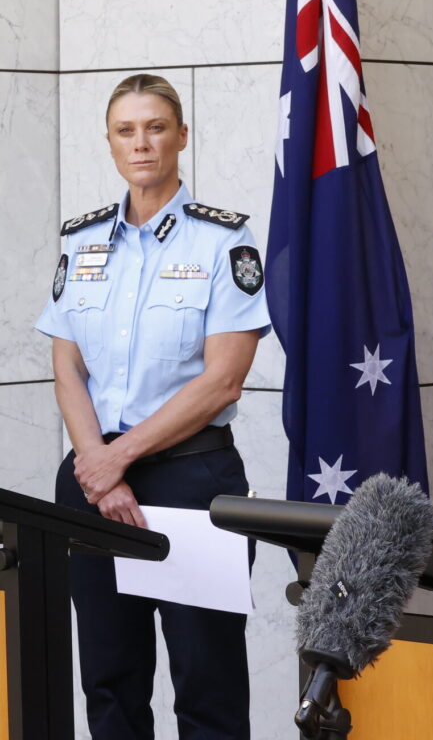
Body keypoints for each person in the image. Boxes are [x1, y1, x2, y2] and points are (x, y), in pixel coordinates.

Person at [36, 73, 271, 740]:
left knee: (207, 688)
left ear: (181, 136)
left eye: (156, 127)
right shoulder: (81, 241)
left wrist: (117, 459)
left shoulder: (224, 241)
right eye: (126, 130)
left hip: (190, 482)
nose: (141, 143)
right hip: (92, 482)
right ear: (110, 143)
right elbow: (66, 365)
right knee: (110, 683)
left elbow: (224, 381)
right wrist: (97, 465)